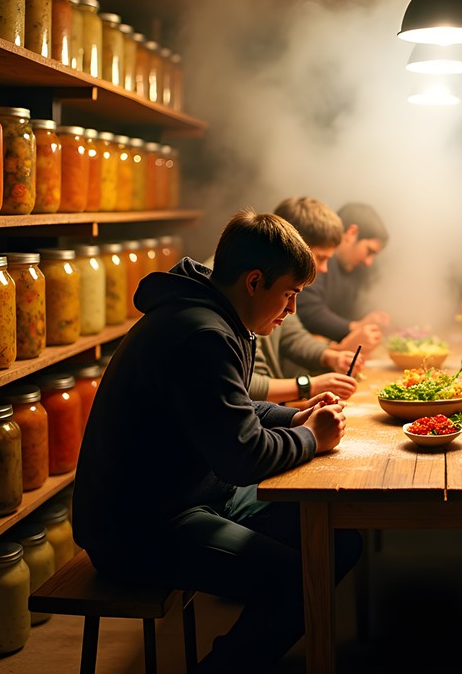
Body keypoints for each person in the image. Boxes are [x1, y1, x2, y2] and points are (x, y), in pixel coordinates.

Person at [73, 209, 361, 674]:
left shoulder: (215, 316)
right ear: (253, 282)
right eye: (288, 296)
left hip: (193, 496)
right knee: (296, 580)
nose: (290, 312)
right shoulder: (201, 335)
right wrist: (309, 438)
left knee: (338, 541)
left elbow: (236, 413)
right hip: (137, 528)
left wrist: (296, 416)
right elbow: (242, 457)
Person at [249, 196, 362, 404]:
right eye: (320, 257)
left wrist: (330, 356)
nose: (325, 268)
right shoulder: (250, 285)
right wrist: (309, 386)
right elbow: (247, 385)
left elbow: (291, 334)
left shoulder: (274, 283)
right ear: (293, 245)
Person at [297, 202, 390, 353]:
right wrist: (354, 328)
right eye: (369, 251)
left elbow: (358, 307)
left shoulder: (356, 269)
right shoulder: (319, 260)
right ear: (352, 233)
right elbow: (307, 309)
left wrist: (370, 323)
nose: (368, 262)